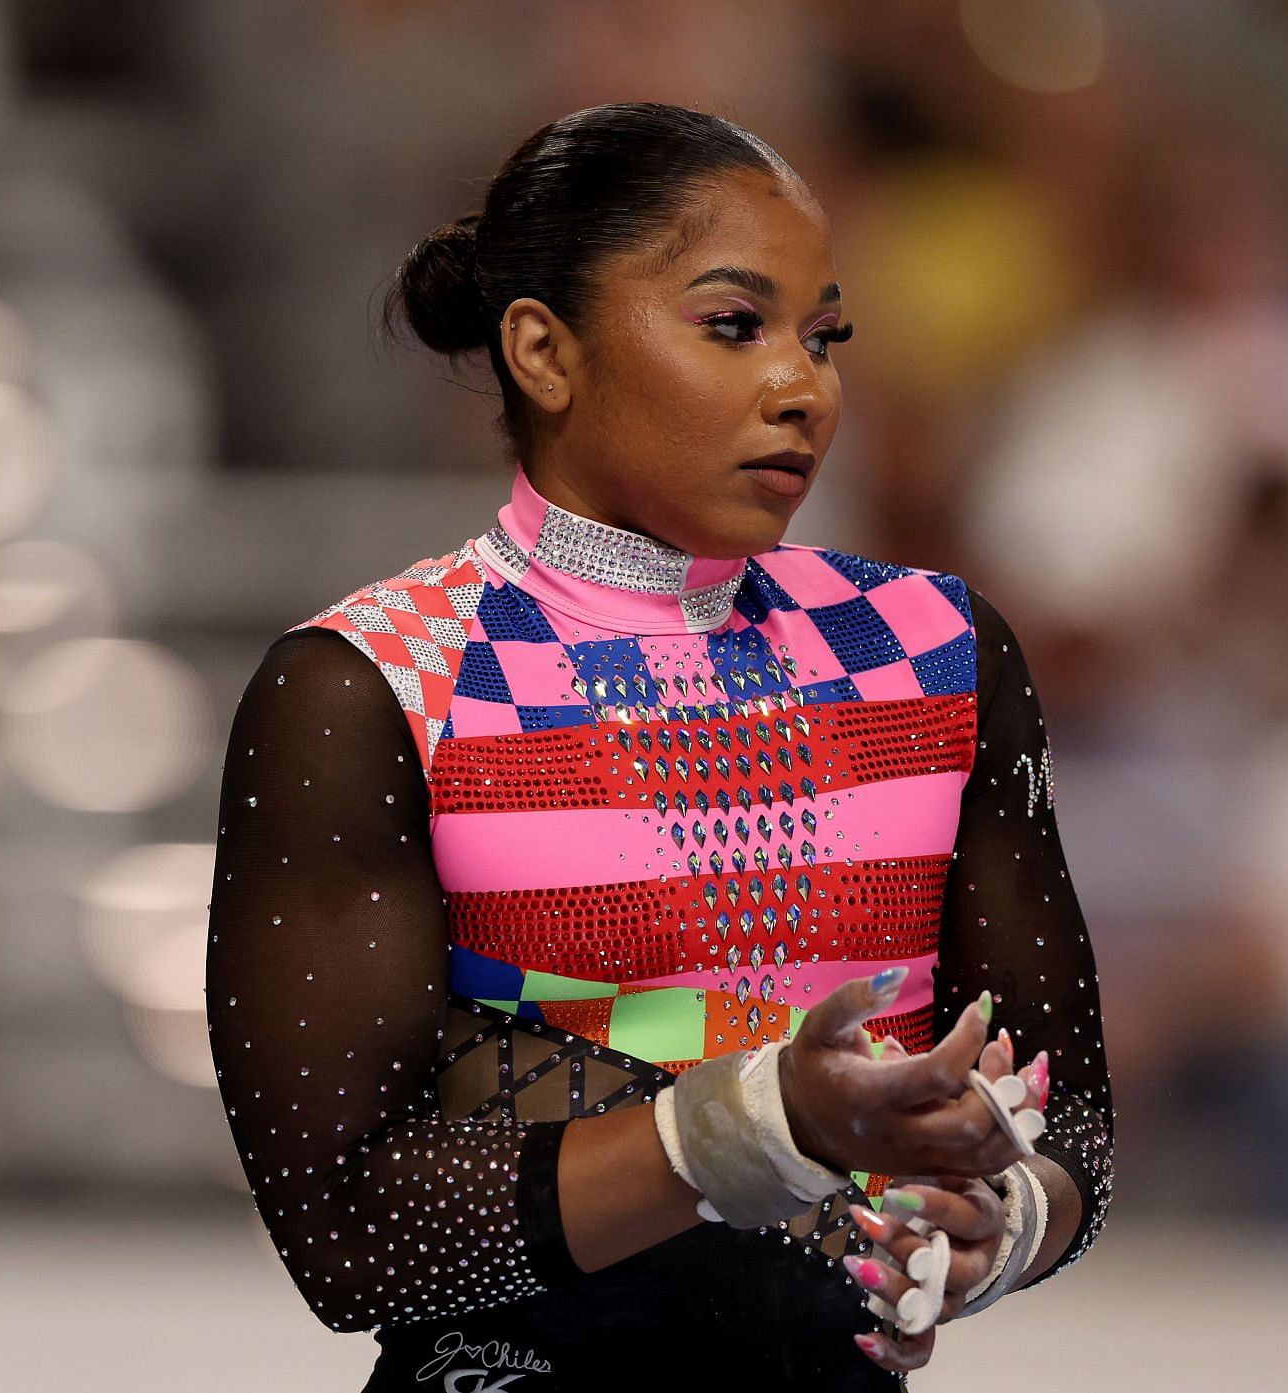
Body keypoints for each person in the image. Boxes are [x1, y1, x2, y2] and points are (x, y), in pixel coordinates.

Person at [205, 101, 1114, 1389]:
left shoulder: (941, 654)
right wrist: (756, 1126)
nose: (803, 386)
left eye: (823, 336)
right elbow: (350, 1240)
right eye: (735, 326)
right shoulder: (376, 687)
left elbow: (1068, 1110)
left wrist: (1001, 1225)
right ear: (543, 352)